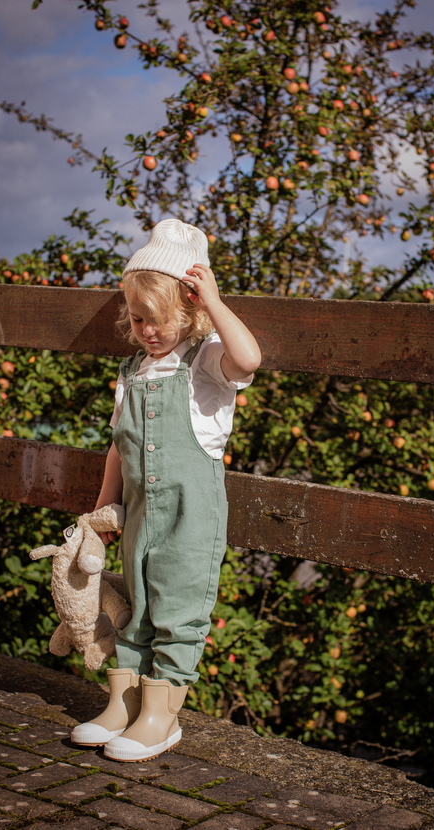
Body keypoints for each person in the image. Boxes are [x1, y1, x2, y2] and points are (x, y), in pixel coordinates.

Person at [70, 218, 261, 762]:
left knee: (176, 609)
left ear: (192, 312)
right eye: (138, 319)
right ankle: (124, 703)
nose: (148, 331)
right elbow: (117, 445)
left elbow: (249, 359)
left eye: (162, 320)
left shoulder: (205, 363)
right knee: (134, 606)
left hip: (189, 521)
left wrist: (216, 303)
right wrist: (104, 507)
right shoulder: (132, 372)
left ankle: (162, 715)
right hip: (137, 517)